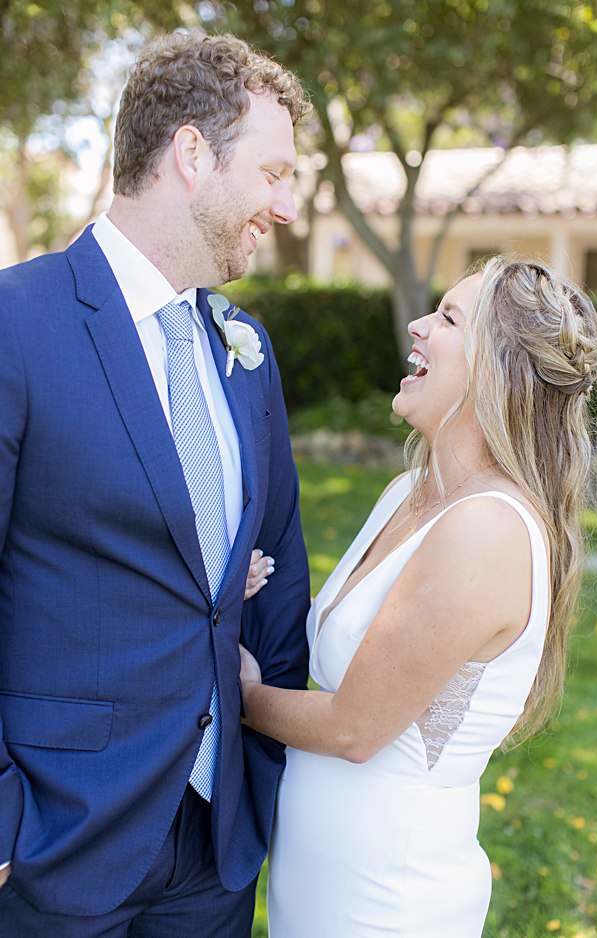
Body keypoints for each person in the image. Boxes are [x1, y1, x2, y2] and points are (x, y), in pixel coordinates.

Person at [0, 33, 312, 935]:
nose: (286, 206)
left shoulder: (244, 352)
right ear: (190, 154)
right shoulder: (18, 325)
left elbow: (276, 576)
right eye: (273, 172)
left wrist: (264, 787)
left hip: (214, 858)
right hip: (55, 850)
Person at [239, 257, 597, 936]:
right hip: (320, 881)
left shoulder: (487, 529)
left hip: (388, 894)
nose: (417, 324)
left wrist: (242, 693)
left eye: (447, 317)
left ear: (497, 368)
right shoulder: (407, 495)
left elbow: (355, 728)